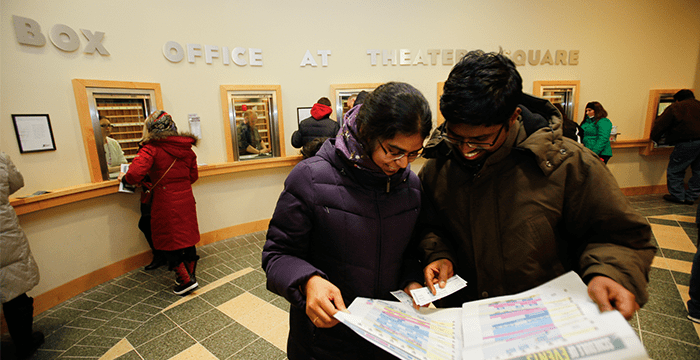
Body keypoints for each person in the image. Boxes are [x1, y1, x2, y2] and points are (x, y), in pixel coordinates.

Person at [416, 50, 656, 321]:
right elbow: (430, 226)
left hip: (548, 321)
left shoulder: (568, 164)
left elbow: (621, 236)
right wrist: (439, 254)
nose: (467, 150)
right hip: (469, 321)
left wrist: (610, 272)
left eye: (481, 140)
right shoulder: (438, 167)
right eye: (456, 137)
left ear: (513, 117)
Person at [262, 82, 432, 359]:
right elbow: (277, 255)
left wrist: (412, 281)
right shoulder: (310, 178)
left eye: (413, 153)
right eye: (393, 151)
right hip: (325, 341)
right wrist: (309, 281)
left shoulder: (410, 185)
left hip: (388, 339)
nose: (403, 163)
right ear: (366, 133)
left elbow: (410, 253)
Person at [118, 110, 201, 295]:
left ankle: (185, 280)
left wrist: (124, 179)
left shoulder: (151, 149)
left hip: (165, 200)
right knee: (187, 236)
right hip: (186, 198)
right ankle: (191, 275)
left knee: (166, 240)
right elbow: (193, 176)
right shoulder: (187, 149)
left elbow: (134, 175)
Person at [1, 151, 44, 359]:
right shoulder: (0, 158)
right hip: (3, 234)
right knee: (15, 293)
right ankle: (24, 343)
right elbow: (16, 182)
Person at [650, 89, 700, 205]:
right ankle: (692, 196)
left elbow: (660, 124)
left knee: (676, 170)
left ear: (677, 99)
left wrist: (655, 138)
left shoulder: (676, 107)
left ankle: (678, 196)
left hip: (686, 142)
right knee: (698, 171)